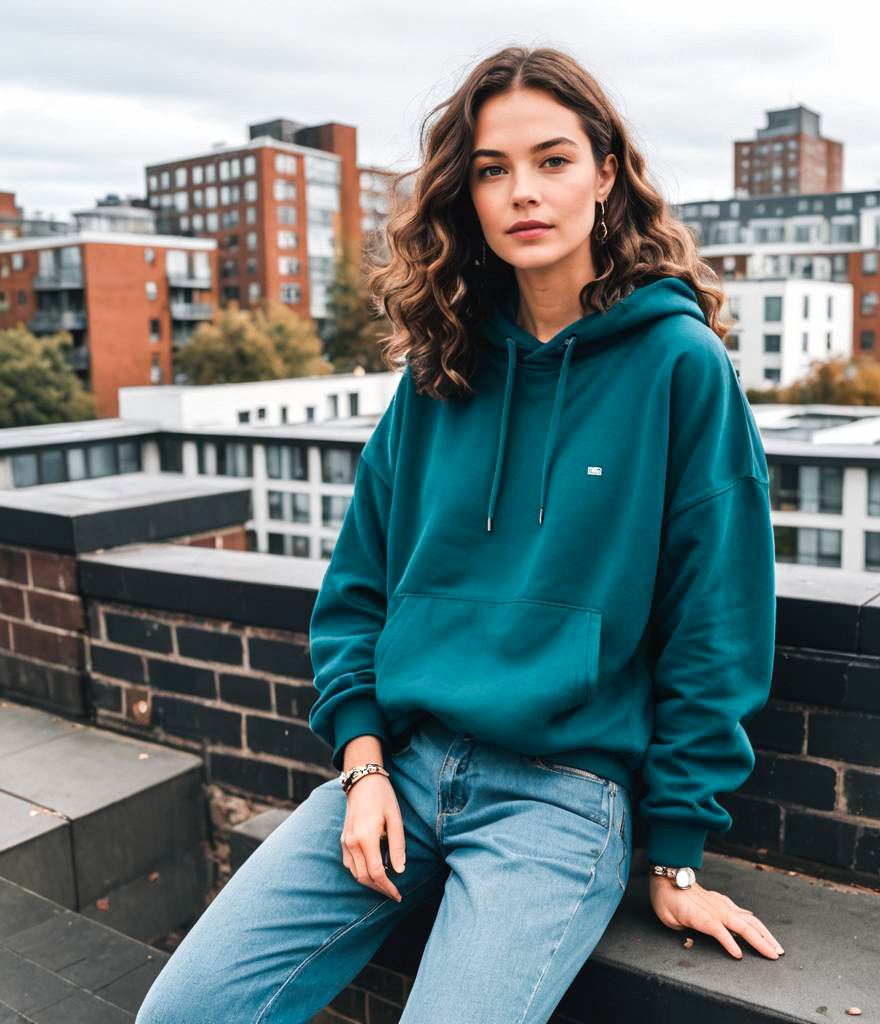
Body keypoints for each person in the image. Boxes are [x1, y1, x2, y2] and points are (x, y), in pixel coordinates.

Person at [136, 44, 783, 1024]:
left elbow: (716, 622)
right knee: (181, 1012)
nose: (522, 191)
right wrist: (360, 768)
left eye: (552, 159)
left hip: (562, 799)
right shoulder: (437, 371)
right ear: (467, 192)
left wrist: (678, 852)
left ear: (606, 174)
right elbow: (355, 591)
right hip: (400, 769)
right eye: (491, 168)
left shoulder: (679, 365)